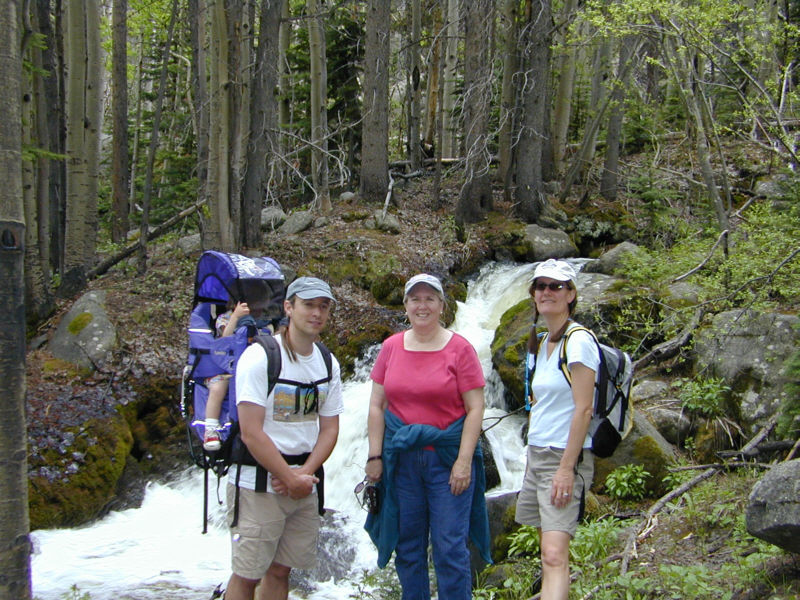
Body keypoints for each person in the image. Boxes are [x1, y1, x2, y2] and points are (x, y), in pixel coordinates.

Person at [364, 273, 491, 600]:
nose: (422, 306)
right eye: (415, 299)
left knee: (449, 548)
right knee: (408, 547)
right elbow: (377, 405)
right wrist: (374, 457)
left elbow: (475, 408)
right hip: (402, 460)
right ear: (405, 305)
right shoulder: (391, 347)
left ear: (441, 305)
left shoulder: (460, 349)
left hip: (447, 462)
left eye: (429, 299)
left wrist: (464, 462)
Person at [223, 276, 343, 600]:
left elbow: (330, 428)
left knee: (280, 570)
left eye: (323, 306)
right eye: (308, 305)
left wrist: (302, 474)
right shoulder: (260, 357)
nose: (316, 313)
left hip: (304, 482)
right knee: (247, 573)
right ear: (289, 307)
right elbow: (250, 431)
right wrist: (286, 476)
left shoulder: (328, 363)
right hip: (257, 483)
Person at [514, 259, 599, 600]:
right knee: (547, 551)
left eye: (556, 286)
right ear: (534, 295)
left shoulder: (578, 341)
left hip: (561, 458)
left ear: (571, 294)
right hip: (537, 454)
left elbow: (585, 408)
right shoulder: (543, 340)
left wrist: (567, 468)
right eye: (541, 286)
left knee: (553, 555)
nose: (547, 292)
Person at [202, 300, 251, 451]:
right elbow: (224, 339)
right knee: (218, 388)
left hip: (248, 370)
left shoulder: (262, 321)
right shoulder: (225, 318)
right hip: (223, 370)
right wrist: (236, 317)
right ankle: (210, 428)